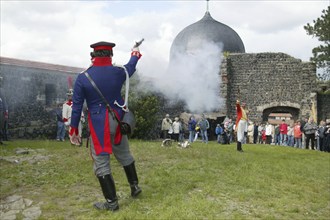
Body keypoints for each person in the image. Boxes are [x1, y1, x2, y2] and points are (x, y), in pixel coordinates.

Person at [69, 41, 143, 211]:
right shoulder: (118, 72)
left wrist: (74, 129)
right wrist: (135, 53)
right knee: (124, 154)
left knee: (101, 161)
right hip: (118, 121)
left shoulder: (83, 77)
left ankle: (112, 203)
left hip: (98, 124)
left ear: (92, 56)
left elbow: (77, 106)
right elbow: (130, 67)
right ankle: (134, 187)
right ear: (111, 55)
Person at [0, 76, 8, 144]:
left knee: (0, 126)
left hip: (0, 110)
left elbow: (4, 101)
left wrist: (6, 111)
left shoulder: (1, 90)